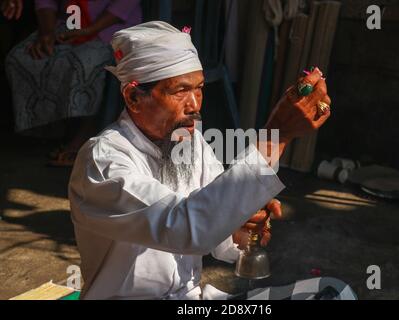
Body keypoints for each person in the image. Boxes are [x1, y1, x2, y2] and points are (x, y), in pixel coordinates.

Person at [69, 21, 354, 300]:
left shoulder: (191, 143)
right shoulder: (102, 161)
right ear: (133, 97)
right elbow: (186, 227)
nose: (194, 104)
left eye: (200, 88)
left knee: (333, 293)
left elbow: (217, 235)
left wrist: (240, 224)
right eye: (180, 90)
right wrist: (274, 138)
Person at [5, 0, 142, 166]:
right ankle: (50, 129)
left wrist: (89, 30)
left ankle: (84, 136)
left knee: (84, 64)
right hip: (66, 26)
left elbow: (124, 5)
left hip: (109, 30)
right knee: (20, 59)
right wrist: (47, 32)